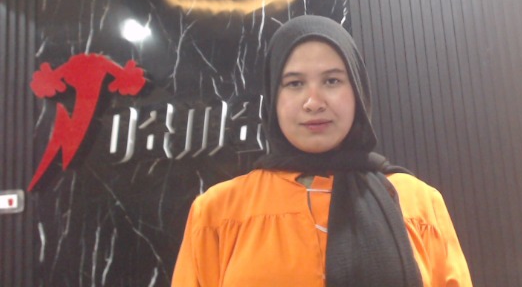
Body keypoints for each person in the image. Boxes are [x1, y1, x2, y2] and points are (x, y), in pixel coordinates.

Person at [172, 15, 472, 286]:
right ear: (273, 97)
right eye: (294, 83)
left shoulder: (418, 202)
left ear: (357, 91)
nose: (313, 102)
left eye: (332, 80)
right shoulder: (217, 212)